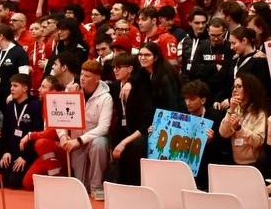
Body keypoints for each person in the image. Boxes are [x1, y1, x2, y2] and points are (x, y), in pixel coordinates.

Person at [58, 60, 112, 201]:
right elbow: (60, 118)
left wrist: (79, 140)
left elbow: (103, 128)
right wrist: (63, 136)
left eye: (87, 76)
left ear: (97, 78)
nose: (82, 78)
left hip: (92, 140)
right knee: (81, 187)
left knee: (100, 143)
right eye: (82, 74)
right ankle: (87, 185)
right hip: (75, 142)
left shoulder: (106, 97)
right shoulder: (71, 91)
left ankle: (97, 186)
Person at [109, 54, 153, 185]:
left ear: (130, 69)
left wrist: (124, 143)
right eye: (114, 67)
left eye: (118, 67)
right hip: (122, 128)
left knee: (134, 147)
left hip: (139, 131)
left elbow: (145, 124)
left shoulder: (141, 88)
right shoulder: (115, 87)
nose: (115, 70)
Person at [0, 73, 43, 188]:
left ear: (25, 88)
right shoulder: (10, 106)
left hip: (27, 153)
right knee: (0, 181)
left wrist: (25, 157)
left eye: (15, 86)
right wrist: (5, 152)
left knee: (13, 183)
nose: (11, 89)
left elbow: (37, 133)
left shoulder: (35, 105)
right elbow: (5, 131)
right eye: (11, 85)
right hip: (11, 152)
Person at [219, 73, 268, 165]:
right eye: (234, 87)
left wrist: (239, 129)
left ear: (249, 89)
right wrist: (231, 110)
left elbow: (258, 141)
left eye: (239, 86)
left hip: (253, 163)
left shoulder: (259, 113)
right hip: (234, 160)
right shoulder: (234, 108)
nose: (235, 90)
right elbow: (223, 133)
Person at [137, 41, 184, 112]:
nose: (143, 58)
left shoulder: (164, 77)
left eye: (147, 55)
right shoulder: (145, 71)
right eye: (140, 54)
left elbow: (171, 103)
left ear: (156, 58)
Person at [0, 24, 30, 98]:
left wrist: (14, 94)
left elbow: (24, 76)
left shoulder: (19, 52)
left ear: (1, 36)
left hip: (13, 94)